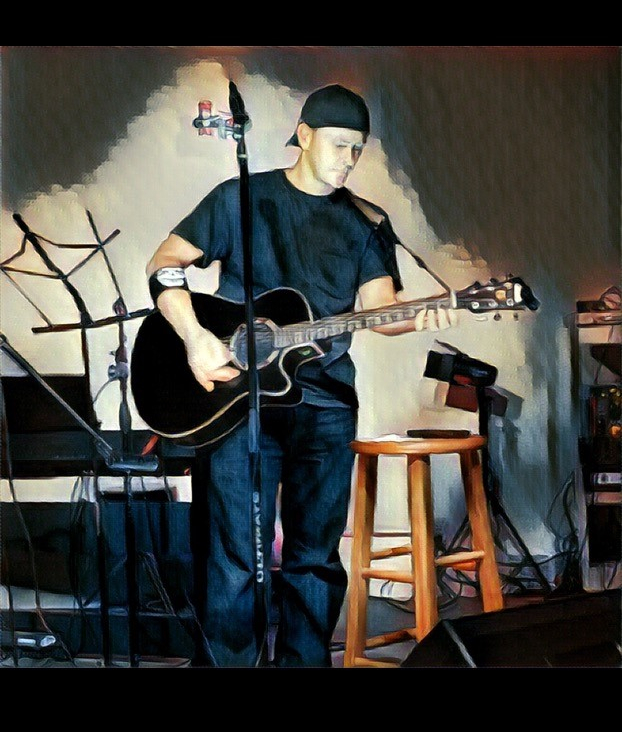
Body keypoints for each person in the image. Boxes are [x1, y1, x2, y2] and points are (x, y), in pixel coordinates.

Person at [144, 83, 456, 668]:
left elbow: (380, 309)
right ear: (305, 136)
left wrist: (425, 313)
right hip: (242, 402)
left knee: (315, 559)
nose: (349, 160)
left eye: (358, 149)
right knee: (237, 558)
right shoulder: (242, 199)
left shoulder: (366, 221)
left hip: (327, 403)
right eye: (339, 145)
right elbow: (164, 263)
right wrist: (195, 338)